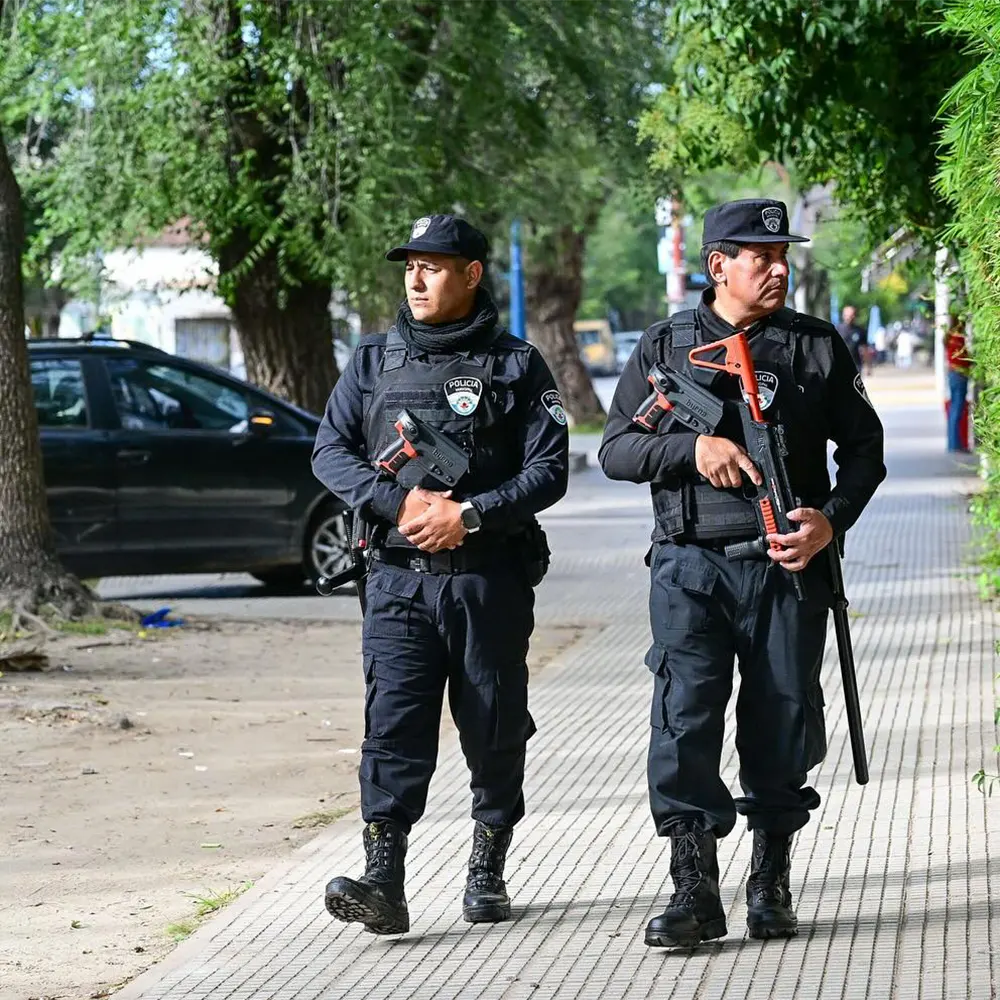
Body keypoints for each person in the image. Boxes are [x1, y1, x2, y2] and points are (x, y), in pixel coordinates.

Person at [599, 198, 886, 948]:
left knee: (783, 722)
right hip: (691, 568)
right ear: (719, 264)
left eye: (785, 254)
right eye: (763, 256)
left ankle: (770, 879)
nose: (780, 267)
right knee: (683, 720)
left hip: (788, 573)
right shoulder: (664, 348)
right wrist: (688, 451)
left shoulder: (816, 346)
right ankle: (694, 889)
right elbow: (616, 451)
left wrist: (830, 520)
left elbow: (865, 452)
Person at [311, 215, 569, 935]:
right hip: (395, 578)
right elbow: (330, 451)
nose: (416, 278)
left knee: (492, 724)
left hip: (486, 577)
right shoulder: (373, 361)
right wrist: (400, 503)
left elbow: (549, 470)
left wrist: (474, 514)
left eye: (433, 265)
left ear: (472, 273)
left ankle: (487, 869)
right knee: (392, 724)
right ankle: (383, 881)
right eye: (410, 266)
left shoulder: (517, 363)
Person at [945, 316, 972, 452]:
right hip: (959, 374)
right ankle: (955, 445)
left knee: (954, 410)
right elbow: (962, 358)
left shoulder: (949, 336)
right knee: (957, 410)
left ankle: (953, 444)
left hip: (953, 374)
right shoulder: (957, 338)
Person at [836, 304, 867, 369]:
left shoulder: (860, 331)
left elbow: (864, 349)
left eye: (852, 315)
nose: (849, 317)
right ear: (843, 316)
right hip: (840, 365)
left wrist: (868, 365)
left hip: (856, 365)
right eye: (847, 315)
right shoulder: (837, 329)